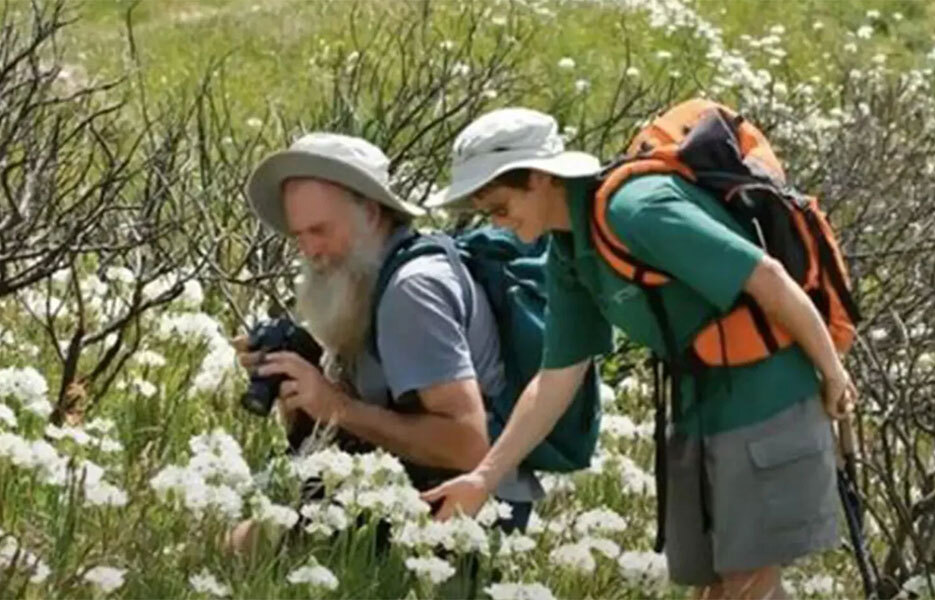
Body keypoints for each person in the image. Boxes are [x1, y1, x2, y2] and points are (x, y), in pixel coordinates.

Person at [420, 108, 859, 600]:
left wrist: (833, 371)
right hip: (699, 408)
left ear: (540, 178)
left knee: (747, 586)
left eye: (502, 207)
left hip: (768, 397)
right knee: (716, 588)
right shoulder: (568, 250)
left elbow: (767, 276)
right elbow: (557, 376)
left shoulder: (638, 210)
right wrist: (484, 477)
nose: (500, 222)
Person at [226, 132, 542, 553]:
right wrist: (302, 375)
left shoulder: (413, 291)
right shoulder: (368, 278)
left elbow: (471, 445)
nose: (310, 251)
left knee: (246, 546)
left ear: (372, 213)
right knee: (250, 540)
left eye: (320, 230)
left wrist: (336, 407)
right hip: (414, 492)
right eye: (299, 236)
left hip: (464, 516)